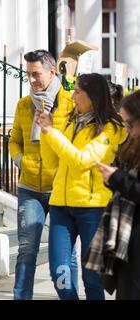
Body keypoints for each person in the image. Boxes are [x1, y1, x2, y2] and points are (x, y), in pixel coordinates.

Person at [36, 73, 128, 300]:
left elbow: (81, 160)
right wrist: (46, 132)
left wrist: (52, 133)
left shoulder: (111, 129)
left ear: (93, 96)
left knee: (91, 277)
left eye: (78, 91)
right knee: (59, 272)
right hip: (60, 205)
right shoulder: (71, 121)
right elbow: (51, 162)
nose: (73, 96)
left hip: (92, 208)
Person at [9, 49, 76, 300]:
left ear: (52, 71)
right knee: (26, 250)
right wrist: (21, 161)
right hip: (29, 188)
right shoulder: (24, 105)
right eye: (28, 75)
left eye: (36, 74)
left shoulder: (70, 104)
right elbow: (14, 140)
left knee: (66, 255)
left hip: (61, 188)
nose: (32, 80)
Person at [84, 90, 140, 300]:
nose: (128, 130)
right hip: (126, 242)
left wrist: (117, 178)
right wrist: (112, 180)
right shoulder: (133, 145)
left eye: (130, 124)